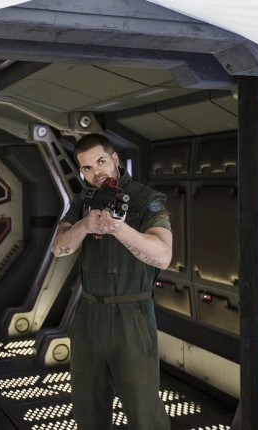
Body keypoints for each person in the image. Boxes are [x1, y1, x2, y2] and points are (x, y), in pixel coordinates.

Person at [52, 133, 172, 430]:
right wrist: (85, 224)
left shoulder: (146, 199)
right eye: (87, 168)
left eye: (101, 162)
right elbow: (59, 247)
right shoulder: (83, 201)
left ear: (115, 159)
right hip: (89, 315)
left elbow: (163, 256)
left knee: (144, 413)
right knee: (88, 409)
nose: (97, 172)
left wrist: (120, 230)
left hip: (131, 316)